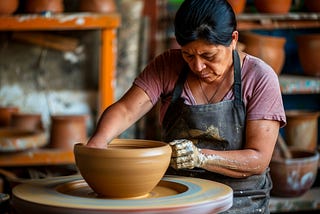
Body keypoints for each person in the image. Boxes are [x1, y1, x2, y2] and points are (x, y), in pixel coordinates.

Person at [87, 0, 286, 213]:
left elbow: (258, 158)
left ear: (233, 40)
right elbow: (126, 110)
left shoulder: (259, 77)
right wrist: (97, 143)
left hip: (238, 199)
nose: (198, 66)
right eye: (188, 55)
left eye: (209, 56)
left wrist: (200, 157)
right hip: (178, 193)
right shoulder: (168, 66)